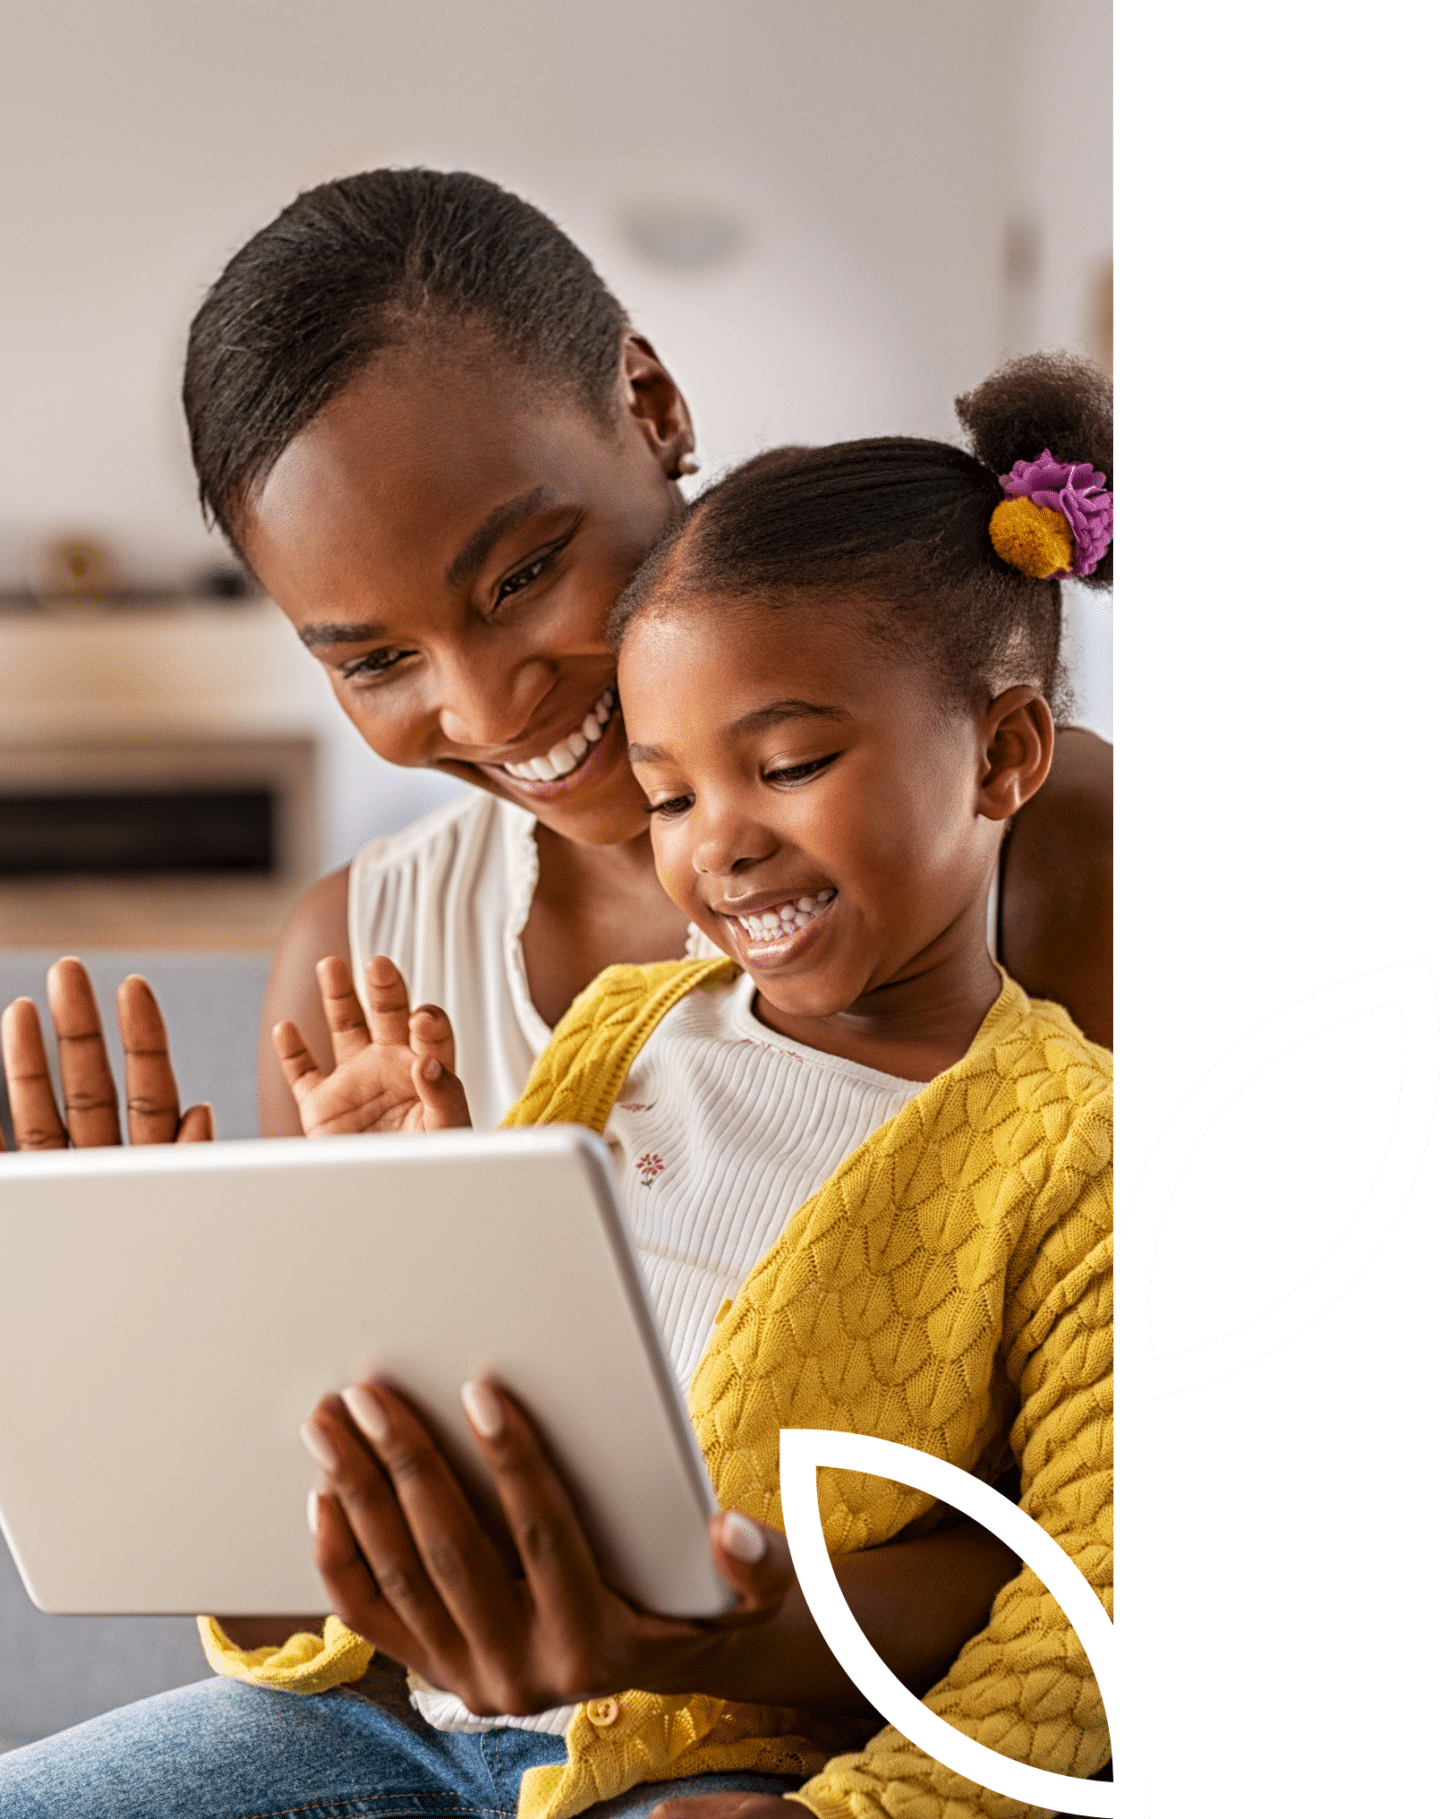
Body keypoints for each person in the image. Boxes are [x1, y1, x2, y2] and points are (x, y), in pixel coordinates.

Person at [202, 355, 1115, 1818]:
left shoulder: (1066, 1138)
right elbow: (497, 1394)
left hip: (710, 1752)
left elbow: (1095, 1584)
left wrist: (853, 1812)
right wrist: (422, 1216)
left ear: (1005, 752)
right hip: (422, 1710)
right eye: (672, 790)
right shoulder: (627, 1027)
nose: (716, 846)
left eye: (793, 763)